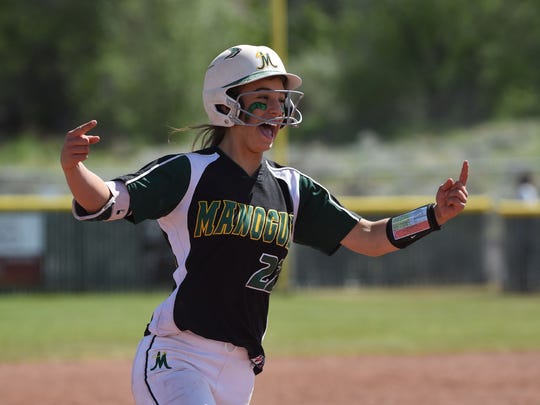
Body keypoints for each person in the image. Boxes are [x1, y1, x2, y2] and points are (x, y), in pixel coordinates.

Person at [60, 44, 469, 405]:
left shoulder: (292, 188)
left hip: (240, 368)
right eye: (261, 99)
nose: (276, 110)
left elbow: (368, 238)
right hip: (178, 356)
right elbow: (109, 201)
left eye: (280, 99)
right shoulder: (189, 172)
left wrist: (432, 216)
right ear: (225, 104)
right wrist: (73, 168)